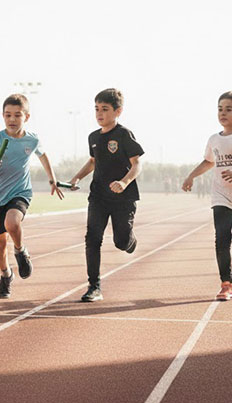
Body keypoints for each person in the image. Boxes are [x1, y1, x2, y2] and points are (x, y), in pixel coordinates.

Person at [181, 91, 232, 301]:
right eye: (220, 109)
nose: (223, 113)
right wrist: (191, 176)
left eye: (228, 109)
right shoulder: (213, 139)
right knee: (221, 239)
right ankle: (226, 284)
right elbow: (209, 161)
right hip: (221, 196)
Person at [0, 94, 64, 298]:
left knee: (13, 223)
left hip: (20, 192)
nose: (12, 119)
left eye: (17, 115)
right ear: (2, 116)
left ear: (27, 116)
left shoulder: (32, 139)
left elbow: (43, 157)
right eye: (8, 115)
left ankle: (20, 250)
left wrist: (52, 179)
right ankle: (6, 275)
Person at [68, 88, 144, 302]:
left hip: (123, 199)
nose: (99, 113)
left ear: (118, 111)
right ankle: (94, 286)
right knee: (92, 239)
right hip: (98, 197)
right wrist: (76, 178)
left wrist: (124, 182)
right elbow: (93, 161)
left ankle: (129, 241)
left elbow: (137, 163)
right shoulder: (93, 137)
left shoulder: (123, 134)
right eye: (96, 109)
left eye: (104, 109)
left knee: (121, 242)